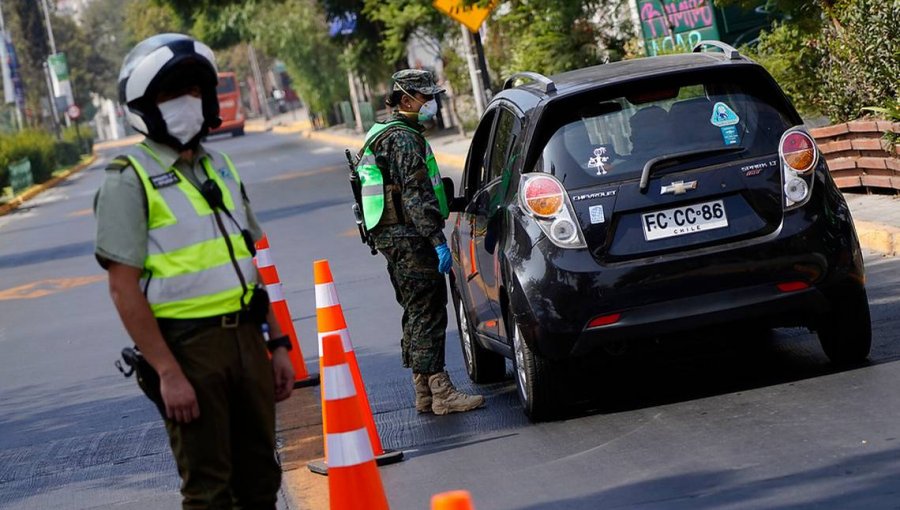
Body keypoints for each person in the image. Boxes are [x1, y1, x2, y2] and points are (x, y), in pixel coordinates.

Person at [93, 33, 294, 509]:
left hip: (247, 338)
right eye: (170, 94)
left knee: (262, 479)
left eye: (194, 92)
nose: (186, 103)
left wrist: (278, 343)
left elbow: (248, 262)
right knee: (209, 490)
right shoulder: (129, 178)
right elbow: (123, 290)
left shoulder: (220, 166)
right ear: (144, 106)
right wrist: (167, 372)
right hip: (187, 349)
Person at [357, 69, 484, 415]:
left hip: (391, 236)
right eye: (424, 98)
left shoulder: (380, 134)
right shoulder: (404, 139)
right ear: (405, 99)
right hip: (410, 235)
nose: (429, 105)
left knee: (415, 309)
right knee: (429, 310)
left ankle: (424, 390)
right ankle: (441, 390)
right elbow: (415, 195)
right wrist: (436, 239)